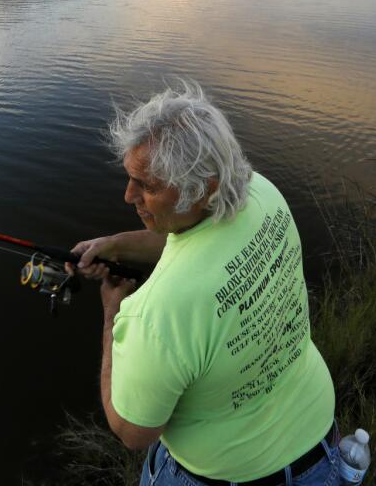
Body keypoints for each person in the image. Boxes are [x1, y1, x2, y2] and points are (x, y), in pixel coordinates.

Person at [71, 81, 339, 486]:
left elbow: (132, 432)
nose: (128, 196)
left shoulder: (158, 313)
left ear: (205, 187)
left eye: (147, 185)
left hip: (229, 475)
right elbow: (189, 239)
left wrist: (112, 313)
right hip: (321, 446)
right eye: (130, 178)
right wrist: (114, 246)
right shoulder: (261, 194)